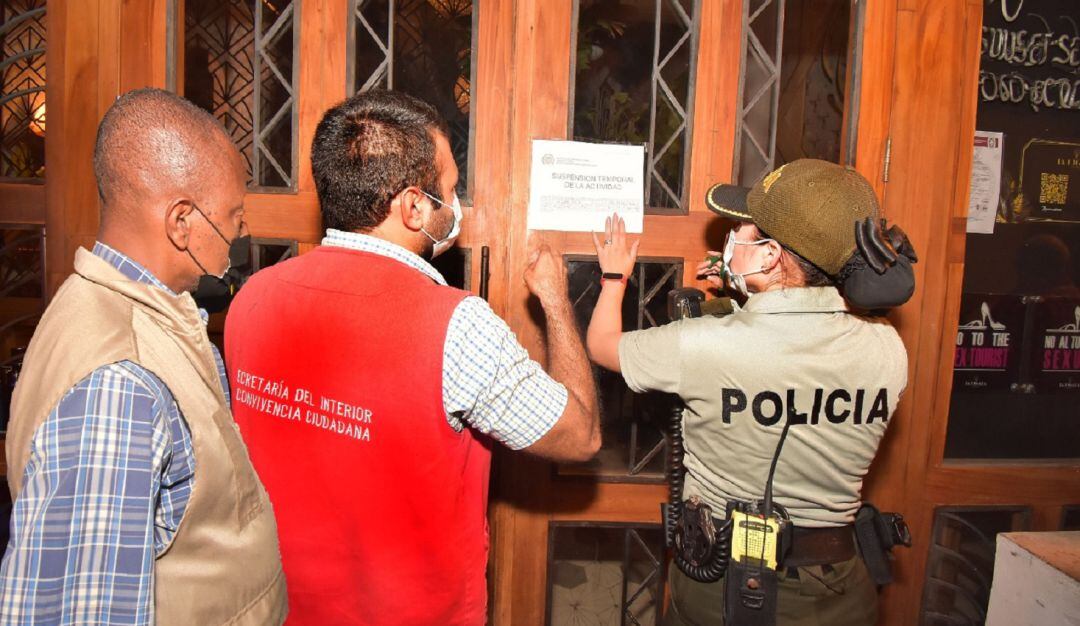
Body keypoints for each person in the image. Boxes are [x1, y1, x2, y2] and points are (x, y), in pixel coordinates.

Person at [223, 89, 600, 625]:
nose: (456, 205)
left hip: (281, 607)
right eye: (448, 190)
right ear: (414, 206)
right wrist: (557, 303)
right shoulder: (457, 326)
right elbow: (580, 434)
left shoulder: (251, 299)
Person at [0, 88, 287, 625]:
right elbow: (83, 610)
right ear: (182, 222)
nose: (241, 230)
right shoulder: (116, 384)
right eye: (233, 214)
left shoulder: (130, 305)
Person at [586, 159, 909, 626]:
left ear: (769, 255)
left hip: (727, 593)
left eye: (740, 230)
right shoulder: (887, 347)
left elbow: (602, 346)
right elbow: (795, 359)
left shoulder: (710, 346)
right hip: (843, 589)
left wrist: (614, 277)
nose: (731, 237)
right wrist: (745, 296)